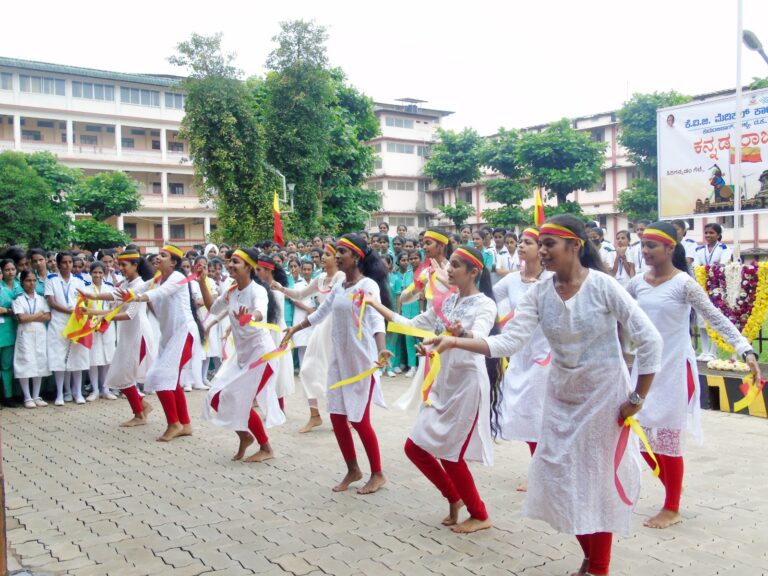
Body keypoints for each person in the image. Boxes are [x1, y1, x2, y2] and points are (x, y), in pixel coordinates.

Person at [425, 215, 663, 576]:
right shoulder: (539, 293)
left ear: (575, 246)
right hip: (560, 400)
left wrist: (637, 398)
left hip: (604, 402)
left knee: (595, 485)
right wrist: (455, 340)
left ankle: (598, 568)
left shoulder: (602, 286)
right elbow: (510, 341)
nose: (543, 251)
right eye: (542, 243)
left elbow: (650, 340)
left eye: (549, 243)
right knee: (562, 481)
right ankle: (589, 558)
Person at [627, 222, 760, 530]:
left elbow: (715, 317)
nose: (645, 251)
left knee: (669, 440)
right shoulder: (636, 283)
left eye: (652, 246)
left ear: (670, 248)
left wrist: (746, 350)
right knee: (640, 437)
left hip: (675, 370)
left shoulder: (684, 284)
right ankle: (672, 483)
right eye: (643, 245)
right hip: (644, 371)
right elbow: (613, 309)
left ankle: (672, 506)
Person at [366, 245, 500, 533]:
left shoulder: (484, 304)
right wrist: (378, 307)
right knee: (415, 448)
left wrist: (461, 333)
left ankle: (480, 514)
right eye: (449, 264)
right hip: (442, 382)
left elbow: (482, 335)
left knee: (451, 454)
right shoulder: (448, 302)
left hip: (467, 384)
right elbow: (414, 324)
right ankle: (454, 497)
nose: (448, 269)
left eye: (455, 265)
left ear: (474, 272)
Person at [282, 234, 391, 495]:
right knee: (338, 417)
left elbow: (376, 321)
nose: (337, 255)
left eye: (342, 251)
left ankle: (378, 473)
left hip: (362, 362)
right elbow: (320, 314)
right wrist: (295, 328)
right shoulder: (341, 286)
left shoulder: (368, 287)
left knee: (360, 419)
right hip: (339, 361)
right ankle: (353, 469)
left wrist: (382, 349)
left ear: (356, 257)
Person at [200, 248, 285, 463]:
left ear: (249, 267)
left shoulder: (257, 291)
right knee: (216, 396)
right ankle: (245, 436)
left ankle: (266, 448)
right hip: (241, 356)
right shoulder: (231, 291)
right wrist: (202, 281)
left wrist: (250, 316)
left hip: (261, 355)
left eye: (235, 262)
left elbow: (260, 310)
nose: (230, 265)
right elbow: (211, 307)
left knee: (243, 400)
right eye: (230, 262)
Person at [114, 245, 204, 442]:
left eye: (163, 256)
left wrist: (136, 297)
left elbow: (159, 293)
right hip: (169, 337)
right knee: (172, 381)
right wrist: (92, 296)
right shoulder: (156, 279)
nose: (157, 258)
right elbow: (131, 291)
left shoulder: (177, 278)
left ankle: (174, 423)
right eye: (157, 255)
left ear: (173, 262)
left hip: (184, 334)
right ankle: (185, 424)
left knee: (159, 377)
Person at [492, 228, 552, 492]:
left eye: (528, 242)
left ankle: (544, 472)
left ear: (541, 248)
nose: (522, 246)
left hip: (547, 356)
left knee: (543, 415)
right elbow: (486, 298)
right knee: (528, 414)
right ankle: (540, 469)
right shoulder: (512, 280)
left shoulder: (552, 279)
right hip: (520, 354)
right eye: (520, 242)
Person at [81, 251, 157, 427]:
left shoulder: (140, 285)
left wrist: (104, 317)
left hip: (138, 332)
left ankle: (140, 413)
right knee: (119, 374)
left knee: (124, 375)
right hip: (126, 333)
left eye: (124, 265)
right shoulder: (125, 283)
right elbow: (115, 308)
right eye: (119, 265)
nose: (120, 268)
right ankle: (142, 407)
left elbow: (130, 314)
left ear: (135, 266)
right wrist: (93, 312)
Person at [275, 244, 345, 433]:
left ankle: (342, 417)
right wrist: (281, 288)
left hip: (335, 329)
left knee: (335, 373)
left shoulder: (341, 278)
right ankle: (315, 416)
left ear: (336, 259)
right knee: (307, 370)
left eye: (328, 255)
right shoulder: (321, 278)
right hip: (320, 328)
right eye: (323, 255)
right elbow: (300, 294)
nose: (323, 258)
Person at [398, 229, 455, 411]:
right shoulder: (427, 272)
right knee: (430, 379)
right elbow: (405, 298)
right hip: (431, 330)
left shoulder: (453, 269)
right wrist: (414, 290)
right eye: (423, 243)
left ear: (441, 246)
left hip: (452, 331)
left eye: (428, 243)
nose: (424, 247)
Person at [46, 252, 90, 405]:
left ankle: (77, 392)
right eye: (64, 262)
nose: (68, 265)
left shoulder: (79, 280)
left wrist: (77, 311)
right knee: (58, 357)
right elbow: (52, 303)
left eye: (70, 262)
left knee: (77, 357)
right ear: (58, 264)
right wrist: (70, 311)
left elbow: (84, 301)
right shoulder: (51, 279)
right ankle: (61, 393)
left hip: (76, 322)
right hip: (58, 322)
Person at [256, 254, 294, 411]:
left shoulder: (275, 287)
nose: (256, 272)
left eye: (259, 270)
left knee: (278, 370)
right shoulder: (259, 288)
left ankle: (279, 407)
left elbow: (273, 316)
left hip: (275, 333)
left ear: (267, 270)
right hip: (264, 332)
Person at [693, 223, 733, 361]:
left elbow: (722, 265)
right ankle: (704, 351)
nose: (708, 236)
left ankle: (713, 351)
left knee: (714, 318)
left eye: (712, 233)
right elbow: (697, 267)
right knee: (701, 320)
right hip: (702, 286)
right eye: (706, 233)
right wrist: (708, 268)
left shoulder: (724, 248)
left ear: (718, 235)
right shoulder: (699, 250)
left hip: (717, 288)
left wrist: (708, 268)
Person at [13, 271, 50, 408]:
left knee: (39, 361)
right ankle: (27, 397)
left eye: (34, 280)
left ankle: (36, 395)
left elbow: (47, 316)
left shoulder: (41, 298)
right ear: (22, 282)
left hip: (40, 333)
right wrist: (38, 315)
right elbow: (21, 318)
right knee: (25, 362)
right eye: (28, 280)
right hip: (25, 333)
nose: (32, 283)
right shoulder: (18, 299)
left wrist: (31, 316)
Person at [0, 259, 21, 405]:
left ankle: (10, 394)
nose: (10, 272)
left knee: (9, 365)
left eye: (12, 269)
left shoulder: (20, 286)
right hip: (3, 329)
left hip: (15, 329)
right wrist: (8, 311)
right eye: (7, 270)